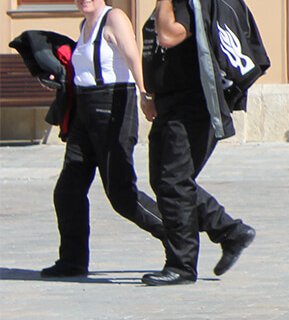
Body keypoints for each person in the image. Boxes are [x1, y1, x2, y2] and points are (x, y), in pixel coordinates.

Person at [41, 0, 167, 278]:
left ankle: (178, 238)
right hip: (85, 114)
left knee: (122, 195)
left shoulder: (115, 18)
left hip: (113, 108)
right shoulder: (84, 24)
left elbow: (134, 57)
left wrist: (146, 96)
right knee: (67, 191)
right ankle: (73, 261)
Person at [139, 0, 255, 286]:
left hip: (192, 108)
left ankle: (182, 266)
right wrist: (151, 95)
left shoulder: (192, 4)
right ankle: (230, 231)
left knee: (174, 182)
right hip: (169, 104)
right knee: (167, 181)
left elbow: (168, 35)